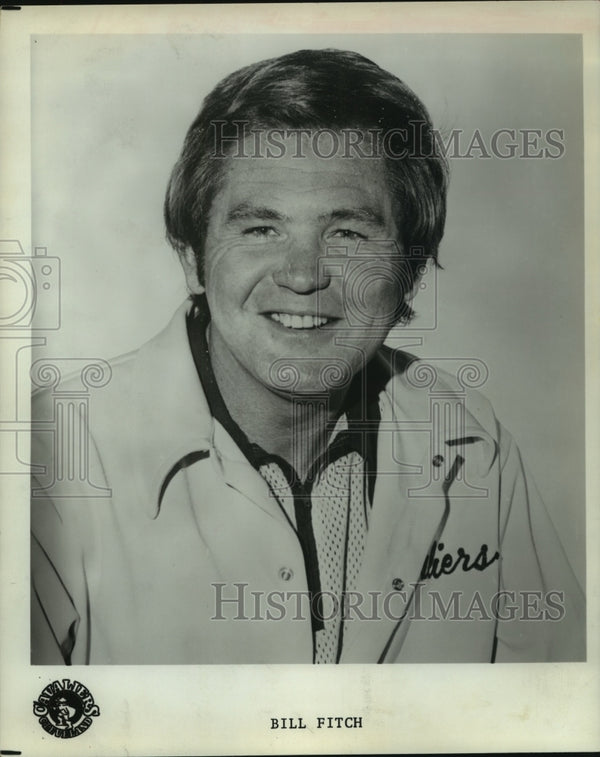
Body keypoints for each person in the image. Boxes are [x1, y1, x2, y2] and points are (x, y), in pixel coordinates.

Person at [30, 48, 585, 664]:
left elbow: (553, 710)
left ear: (410, 271)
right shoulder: (52, 457)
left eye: (347, 233)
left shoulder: (473, 444)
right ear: (191, 258)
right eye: (260, 229)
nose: (302, 276)